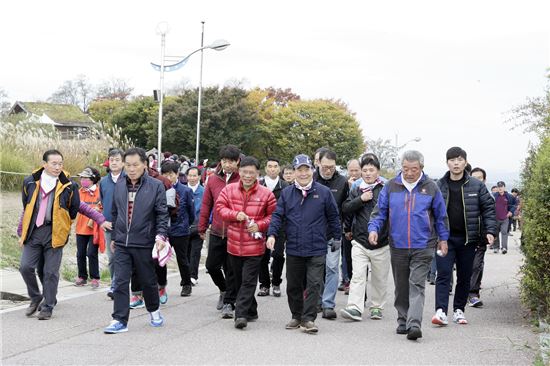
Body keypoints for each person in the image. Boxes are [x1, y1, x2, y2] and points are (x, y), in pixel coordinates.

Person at [368, 150, 449, 341]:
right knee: (401, 286)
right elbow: (379, 213)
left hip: (424, 244)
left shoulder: (431, 187)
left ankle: (414, 324)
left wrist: (443, 239)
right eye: (405, 168)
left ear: (421, 167)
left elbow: (440, 216)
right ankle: (403, 319)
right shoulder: (391, 186)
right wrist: (374, 229)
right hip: (398, 244)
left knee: (417, 284)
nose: (409, 173)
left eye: (414, 169)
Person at [267, 154, 341, 334]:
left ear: (312, 170)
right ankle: (296, 316)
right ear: (294, 172)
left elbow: (333, 216)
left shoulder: (323, 192)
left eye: (306, 169)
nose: (303, 173)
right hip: (293, 247)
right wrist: (272, 234)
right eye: (299, 170)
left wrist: (337, 237)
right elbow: (278, 216)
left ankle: (308, 319)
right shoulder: (286, 193)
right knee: (293, 284)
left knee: (314, 284)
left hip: (317, 247)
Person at [104, 147, 169, 334]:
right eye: (128, 165)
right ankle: (119, 320)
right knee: (120, 281)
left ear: (145, 165)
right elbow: (115, 213)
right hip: (123, 243)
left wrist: (160, 236)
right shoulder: (119, 185)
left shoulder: (155, 186)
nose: (131, 169)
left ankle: (154, 311)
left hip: (145, 241)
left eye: (135, 165)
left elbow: (162, 214)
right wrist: (115, 236)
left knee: (148, 281)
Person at [431, 148, 496, 327]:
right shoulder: (438, 185)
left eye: (459, 159)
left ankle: (459, 310)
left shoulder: (476, 185)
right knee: (443, 274)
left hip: (469, 239)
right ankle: (441, 311)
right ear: (447, 163)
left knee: (464, 276)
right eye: (452, 160)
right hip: (444, 239)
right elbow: (428, 211)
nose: (456, 163)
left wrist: (490, 231)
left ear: (465, 162)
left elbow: (489, 209)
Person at [216, 156, 277, 329]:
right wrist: (235, 215)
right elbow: (220, 209)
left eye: (251, 172)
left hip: (255, 247)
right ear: (239, 171)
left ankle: (241, 315)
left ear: (258, 173)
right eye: (244, 172)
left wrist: (259, 225)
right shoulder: (229, 190)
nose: (248, 175)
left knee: (249, 281)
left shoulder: (266, 194)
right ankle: (252, 310)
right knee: (238, 281)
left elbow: (274, 217)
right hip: (234, 245)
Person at [19, 149, 80, 320]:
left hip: (55, 232)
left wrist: (65, 225)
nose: (58, 167)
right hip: (34, 231)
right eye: (54, 163)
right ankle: (36, 296)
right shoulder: (30, 182)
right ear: (44, 164)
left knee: (50, 272)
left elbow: (74, 209)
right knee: (25, 267)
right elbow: (26, 205)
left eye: (60, 163)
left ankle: (48, 306)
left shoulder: (69, 185)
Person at [340, 156, 390, 321]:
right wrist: (360, 199)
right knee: (358, 275)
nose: (368, 173)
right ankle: (354, 307)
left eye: (371, 170)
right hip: (360, 241)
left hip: (382, 242)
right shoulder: (356, 188)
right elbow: (346, 209)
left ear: (378, 171)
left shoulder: (386, 188)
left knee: (379, 278)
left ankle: (376, 307)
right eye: (365, 170)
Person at [199, 145, 241, 318]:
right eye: (224, 161)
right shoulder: (213, 180)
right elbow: (206, 204)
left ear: (238, 161)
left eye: (231, 161)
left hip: (235, 232)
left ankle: (229, 303)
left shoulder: (242, 179)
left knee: (231, 268)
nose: (227, 164)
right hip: (216, 231)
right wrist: (201, 226)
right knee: (211, 266)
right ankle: (224, 290)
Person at [315, 149, 349, 320]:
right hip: (313, 235)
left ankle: (328, 303)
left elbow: (346, 208)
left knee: (332, 268)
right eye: (325, 166)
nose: (328, 170)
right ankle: (316, 300)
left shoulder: (342, 182)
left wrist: (346, 229)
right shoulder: (311, 179)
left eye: (332, 167)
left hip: (333, 234)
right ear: (318, 163)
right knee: (315, 269)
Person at [161, 161, 195, 297]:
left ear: (177, 174)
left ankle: (186, 284)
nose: (168, 177)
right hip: (164, 230)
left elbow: (191, 213)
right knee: (160, 260)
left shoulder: (185, 191)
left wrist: (185, 225)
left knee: (182, 259)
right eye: (165, 174)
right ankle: (161, 284)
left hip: (180, 230)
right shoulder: (159, 188)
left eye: (171, 174)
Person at [257, 158, 288, 297]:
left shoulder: (285, 186)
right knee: (262, 256)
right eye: (269, 166)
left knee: (278, 255)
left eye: (275, 166)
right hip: (262, 224)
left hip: (280, 225)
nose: (272, 169)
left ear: (279, 169)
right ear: (265, 168)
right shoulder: (259, 185)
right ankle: (264, 284)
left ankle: (276, 282)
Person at [100, 148, 125, 299]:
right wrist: (103, 220)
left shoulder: (128, 178)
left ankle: (121, 285)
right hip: (110, 226)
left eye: (117, 160)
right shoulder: (103, 181)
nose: (114, 163)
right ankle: (114, 284)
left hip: (127, 225)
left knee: (125, 257)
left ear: (123, 162)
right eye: (112, 160)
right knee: (112, 258)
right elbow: (103, 203)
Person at [74, 167, 103, 289]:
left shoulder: (100, 192)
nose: (82, 180)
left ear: (93, 179)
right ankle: (82, 276)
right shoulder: (79, 192)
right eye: (81, 178)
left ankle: (95, 278)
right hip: (80, 227)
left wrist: (98, 209)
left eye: (85, 178)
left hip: (94, 228)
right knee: (80, 253)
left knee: (91, 253)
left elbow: (103, 206)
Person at [468, 167, 492, 307]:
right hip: (465, 238)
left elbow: (490, 216)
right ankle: (464, 291)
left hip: (480, 237)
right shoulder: (465, 194)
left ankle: (473, 294)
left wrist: (490, 232)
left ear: (484, 180)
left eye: (480, 178)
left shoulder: (488, 197)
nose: (477, 180)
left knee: (477, 265)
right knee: (465, 267)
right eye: (474, 177)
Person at [341, 158, 362, 293]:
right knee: (347, 257)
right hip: (346, 226)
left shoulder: (365, 184)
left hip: (361, 228)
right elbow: (344, 206)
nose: (354, 173)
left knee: (359, 261)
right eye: (351, 170)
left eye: (356, 170)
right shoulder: (343, 183)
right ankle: (347, 280)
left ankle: (358, 287)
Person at [186, 166, 205, 285]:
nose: (192, 178)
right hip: (184, 226)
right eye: (190, 175)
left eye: (195, 176)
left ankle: (193, 276)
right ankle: (186, 274)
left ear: (199, 177)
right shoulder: (182, 190)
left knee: (195, 252)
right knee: (185, 252)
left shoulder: (204, 191)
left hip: (198, 226)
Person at [492, 181, 516, 254]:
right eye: (499, 187)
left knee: (504, 232)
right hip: (495, 218)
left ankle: (504, 248)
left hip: (505, 218)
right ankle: (496, 247)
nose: (500, 188)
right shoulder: (494, 196)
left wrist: (511, 212)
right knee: (495, 233)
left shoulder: (509, 196)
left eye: (501, 187)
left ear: (504, 187)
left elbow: (514, 205)